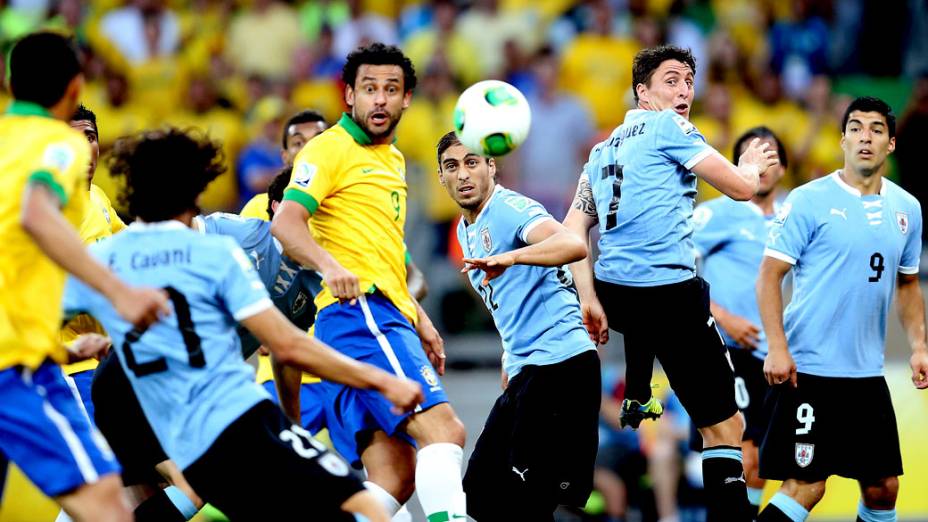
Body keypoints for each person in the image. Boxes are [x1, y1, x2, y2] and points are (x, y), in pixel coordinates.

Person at [64, 127, 424, 521]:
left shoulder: (107, 257)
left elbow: (27, 326)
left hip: (151, 415)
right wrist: (382, 380)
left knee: (152, 499)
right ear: (196, 188)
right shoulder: (216, 253)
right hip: (232, 417)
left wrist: (68, 349)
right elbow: (286, 345)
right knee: (364, 506)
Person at [562, 44, 778, 522]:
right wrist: (752, 166)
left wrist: (589, 298)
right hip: (669, 296)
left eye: (688, 81)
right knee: (726, 428)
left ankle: (639, 390)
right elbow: (742, 189)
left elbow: (572, 231)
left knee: (649, 303)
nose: (684, 91)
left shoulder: (600, 151)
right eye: (672, 80)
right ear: (644, 92)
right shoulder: (669, 126)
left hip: (617, 294)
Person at [271, 42, 468, 520]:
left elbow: (384, 254)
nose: (380, 100)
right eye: (369, 89)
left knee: (394, 476)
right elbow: (287, 223)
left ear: (407, 100)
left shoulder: (393, 160)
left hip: (379, 315)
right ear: (349, 96)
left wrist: (420, 318)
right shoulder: (328, 148)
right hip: (359, 315)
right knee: (444, 432)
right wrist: (330, 266)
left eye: (391, 90)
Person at [0, 32, 169, 522]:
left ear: (12, 86)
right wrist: (120, 293)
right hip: (20, 367)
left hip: (42, 352)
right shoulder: (61, 147)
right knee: (109, 508)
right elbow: (37, 213)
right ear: (75, 88)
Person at [756, 96, 928, 522]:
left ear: (890, 143)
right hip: (810, 370)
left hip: (865, 375)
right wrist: (778, 348)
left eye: (875, 129)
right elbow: (768, 276)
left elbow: (907, 284)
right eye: (855, 128)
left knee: (883, 486)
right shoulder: (809, 199)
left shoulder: (907, 208)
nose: (864, 137)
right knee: (807, 485)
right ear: (842, 140)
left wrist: (920, 345)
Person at [434, 131, 600, 520]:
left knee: (528, 501)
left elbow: (572, 245)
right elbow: (507, 302)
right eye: (452, 166)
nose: (463, 175)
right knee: (479, 491)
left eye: (472, 162)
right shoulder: (464, 230)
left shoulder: (507, 208)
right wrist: (511, 356)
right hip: (528, 369)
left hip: (561, 365)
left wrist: (513, 258)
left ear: (492, 166)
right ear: (440, 177)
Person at [691, 126, 788, 515]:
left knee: (762, 465)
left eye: (770, 155)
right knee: (741, 454)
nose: (762, 163)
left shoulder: (794, 218)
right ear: (737, 166)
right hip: (726, 351)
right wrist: (723, 316)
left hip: (776, 355)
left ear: (783, 167)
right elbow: (677, 269)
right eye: (752, 154)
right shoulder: (716, 213)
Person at [60, 104, 127, 422]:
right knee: (99, 467)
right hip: (73, 364)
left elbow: (131, 246)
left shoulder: (97, 197)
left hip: (111, 358)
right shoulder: (49, 209)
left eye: (90, 136)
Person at [240, 109, 329, 220]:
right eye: (298, 143)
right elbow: (254, 180)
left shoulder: (348, 201)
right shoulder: (259, 208)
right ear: (284, 156)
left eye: (317, 140)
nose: (308, 149)